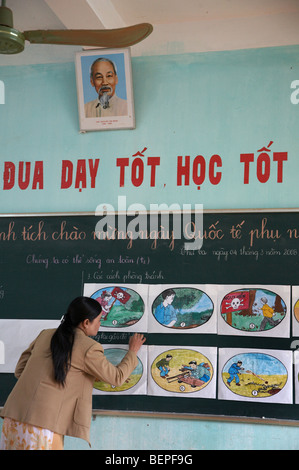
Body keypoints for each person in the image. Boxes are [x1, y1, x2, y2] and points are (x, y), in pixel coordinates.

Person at [0, 296, 145, 450]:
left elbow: (20, 370)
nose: (100, 324)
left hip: (14, 417)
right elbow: (117, 378)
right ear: (86, 323)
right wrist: (132, 352)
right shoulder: (89, 347)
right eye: (99, 320)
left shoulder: (45, 334)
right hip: (44, 425)